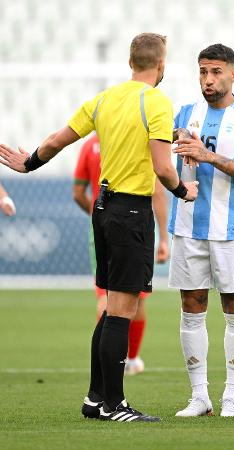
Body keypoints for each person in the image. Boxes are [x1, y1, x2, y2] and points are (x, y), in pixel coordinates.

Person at [0, 32, 198, 423]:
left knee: (111, 308)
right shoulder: (157, 101)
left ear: (130, 63)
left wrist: (29, 164)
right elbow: (162, 168)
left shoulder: (105, 99)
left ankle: (95, 399)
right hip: (132, 212)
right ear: (161, 66)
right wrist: (182, 190)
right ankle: (115, 404)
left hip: (103, 208)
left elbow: (59, 139)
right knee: (123, 310)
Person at [169, 43, 234, 418]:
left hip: (231, 230)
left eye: (215, 73)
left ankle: (232, 396)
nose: (208, 80)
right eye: (202, 72)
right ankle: (200, 397)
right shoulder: (183, 114)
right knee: (191, 307)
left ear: (233, 75)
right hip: (188, 227)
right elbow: (165, 163)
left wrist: (209, 156)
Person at [73, 133, 170, 375]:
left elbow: (77, 193)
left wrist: (99, 216)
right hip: (135, 221)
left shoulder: (89, 146)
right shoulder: (137, 142)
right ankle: (130, 360)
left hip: (102, 224)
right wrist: (164, 238)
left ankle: (108, 366)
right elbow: (157, 192)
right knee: (133, 296)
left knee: (106, 295)